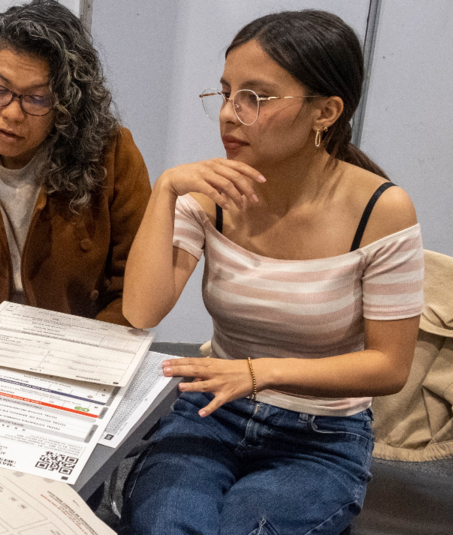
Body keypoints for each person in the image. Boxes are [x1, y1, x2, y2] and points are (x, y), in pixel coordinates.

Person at [121, 10, 422, 534]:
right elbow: (142, 310)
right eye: (226, 93)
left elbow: (389, 367)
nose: (228, 115)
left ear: (325, 112)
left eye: (255, 98)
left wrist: (259, 372)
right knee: (166, 525)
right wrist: (166, 188)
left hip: (322, 434)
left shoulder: (381, 209)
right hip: (213, 413)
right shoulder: (211, 194)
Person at [0, 0, 151, 324]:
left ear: (68, 103)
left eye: (37, 98)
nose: (12, 113)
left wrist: (75, 350)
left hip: (80, 346)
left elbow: (134, 292)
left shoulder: (113, 156)